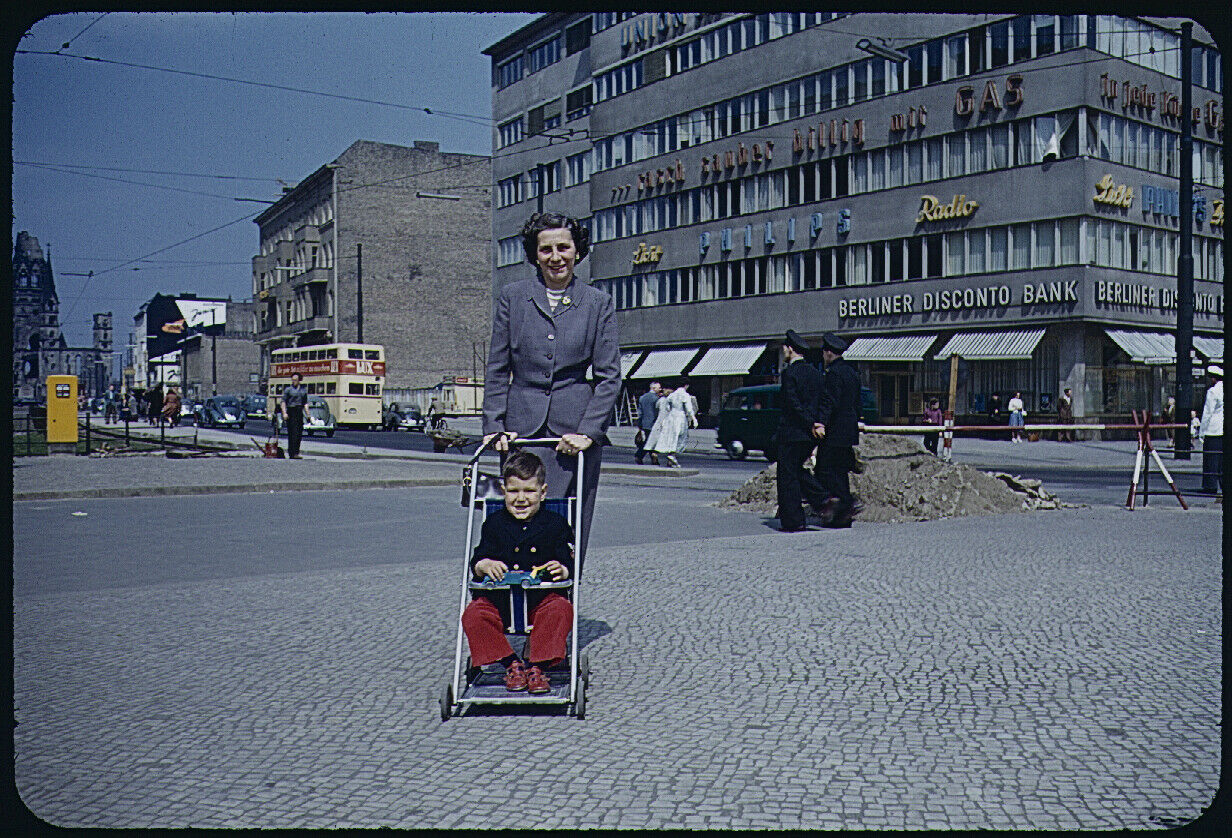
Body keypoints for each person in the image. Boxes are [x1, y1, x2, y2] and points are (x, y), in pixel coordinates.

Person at [482, 211, 621, 574]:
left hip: (573, 432)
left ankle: (559, 605)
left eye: (564, 247)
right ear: (534, 254)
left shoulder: (598, 303)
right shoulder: (512, 298)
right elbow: (497, 367)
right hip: (520, 429)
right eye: (546, 249)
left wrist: (588, 433)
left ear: (578, 250)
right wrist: (494, 425)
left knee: (568, 519)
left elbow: (609, 376)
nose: (555, 257)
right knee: (515, 515)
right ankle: (514, 600)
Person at [460, 451, 574, 695]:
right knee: (474, 615)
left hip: (540, 601)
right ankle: (511, 663)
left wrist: (562, 568)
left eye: (529, 491)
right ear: (503, 491)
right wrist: (485, 564)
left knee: (561, 609)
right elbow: (479, 558)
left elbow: (566, 560)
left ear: (542, 493)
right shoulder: (494, 524)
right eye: (513, 491)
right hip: (500, 601)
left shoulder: (555, 524)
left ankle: (537, 665)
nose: (521, 498)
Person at [775, 330, 829, 532]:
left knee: (787, 476)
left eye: (784, 348)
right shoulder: (816, 373)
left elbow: (793, 404)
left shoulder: (789, 374)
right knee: (796, 470)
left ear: (790, 349)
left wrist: (809, 423)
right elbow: (822, 401)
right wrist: (818, 423)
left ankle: (794, 521)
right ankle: (822, 499)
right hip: (810, 436)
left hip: (792, 433)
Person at [814, 331, 863, 528]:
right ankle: (843, 514)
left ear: (827, 353)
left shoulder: (833, 374)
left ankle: (842, 502)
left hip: (834, 431)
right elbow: (857, 403)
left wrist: (821, 423)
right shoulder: (852, 372)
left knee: (824, 470)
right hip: (848, 431)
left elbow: (829, 401)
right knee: (841, 471)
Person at [1199, 364, 1223, 495]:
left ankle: (1210, 486)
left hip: (1213, 430)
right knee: (1222, 460)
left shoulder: (1213, 391)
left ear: (1213, 378)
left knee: (1210, 459)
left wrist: (1201, 432)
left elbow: (1207, 413)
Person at [279, 372, 309, 459]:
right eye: (292, 380)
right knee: (292, 433)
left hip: (299, 412)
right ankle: (292, 452)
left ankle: (296, 451)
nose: (293, 381)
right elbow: (283, 401)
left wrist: (308, 414)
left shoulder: (303, 391)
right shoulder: (288, 390)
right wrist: (284, 413)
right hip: (291, 411)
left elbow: (305, 403)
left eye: (295, 380)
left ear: (299, 380)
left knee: (299, 432)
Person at [634, 382, 663, 465]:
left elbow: (640, 412)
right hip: (653, 423)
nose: (660, 389)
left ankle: (653, 458)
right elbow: (657, 412)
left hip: (644, 423)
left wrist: (640, 423)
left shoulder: (642, 398)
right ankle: (641, 455)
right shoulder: (656, 399)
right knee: (650, 441)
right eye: (659, 388)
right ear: (654, 388)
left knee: (649, 440)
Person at [676, 380, 699, 454]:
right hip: (682, 418)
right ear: (686, 386)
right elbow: (690, 409)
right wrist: (693, 419)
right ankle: (674, 454)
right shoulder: (686, 396)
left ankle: (672, 453)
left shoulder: (672, 395)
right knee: (682, 436)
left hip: (672, 418)